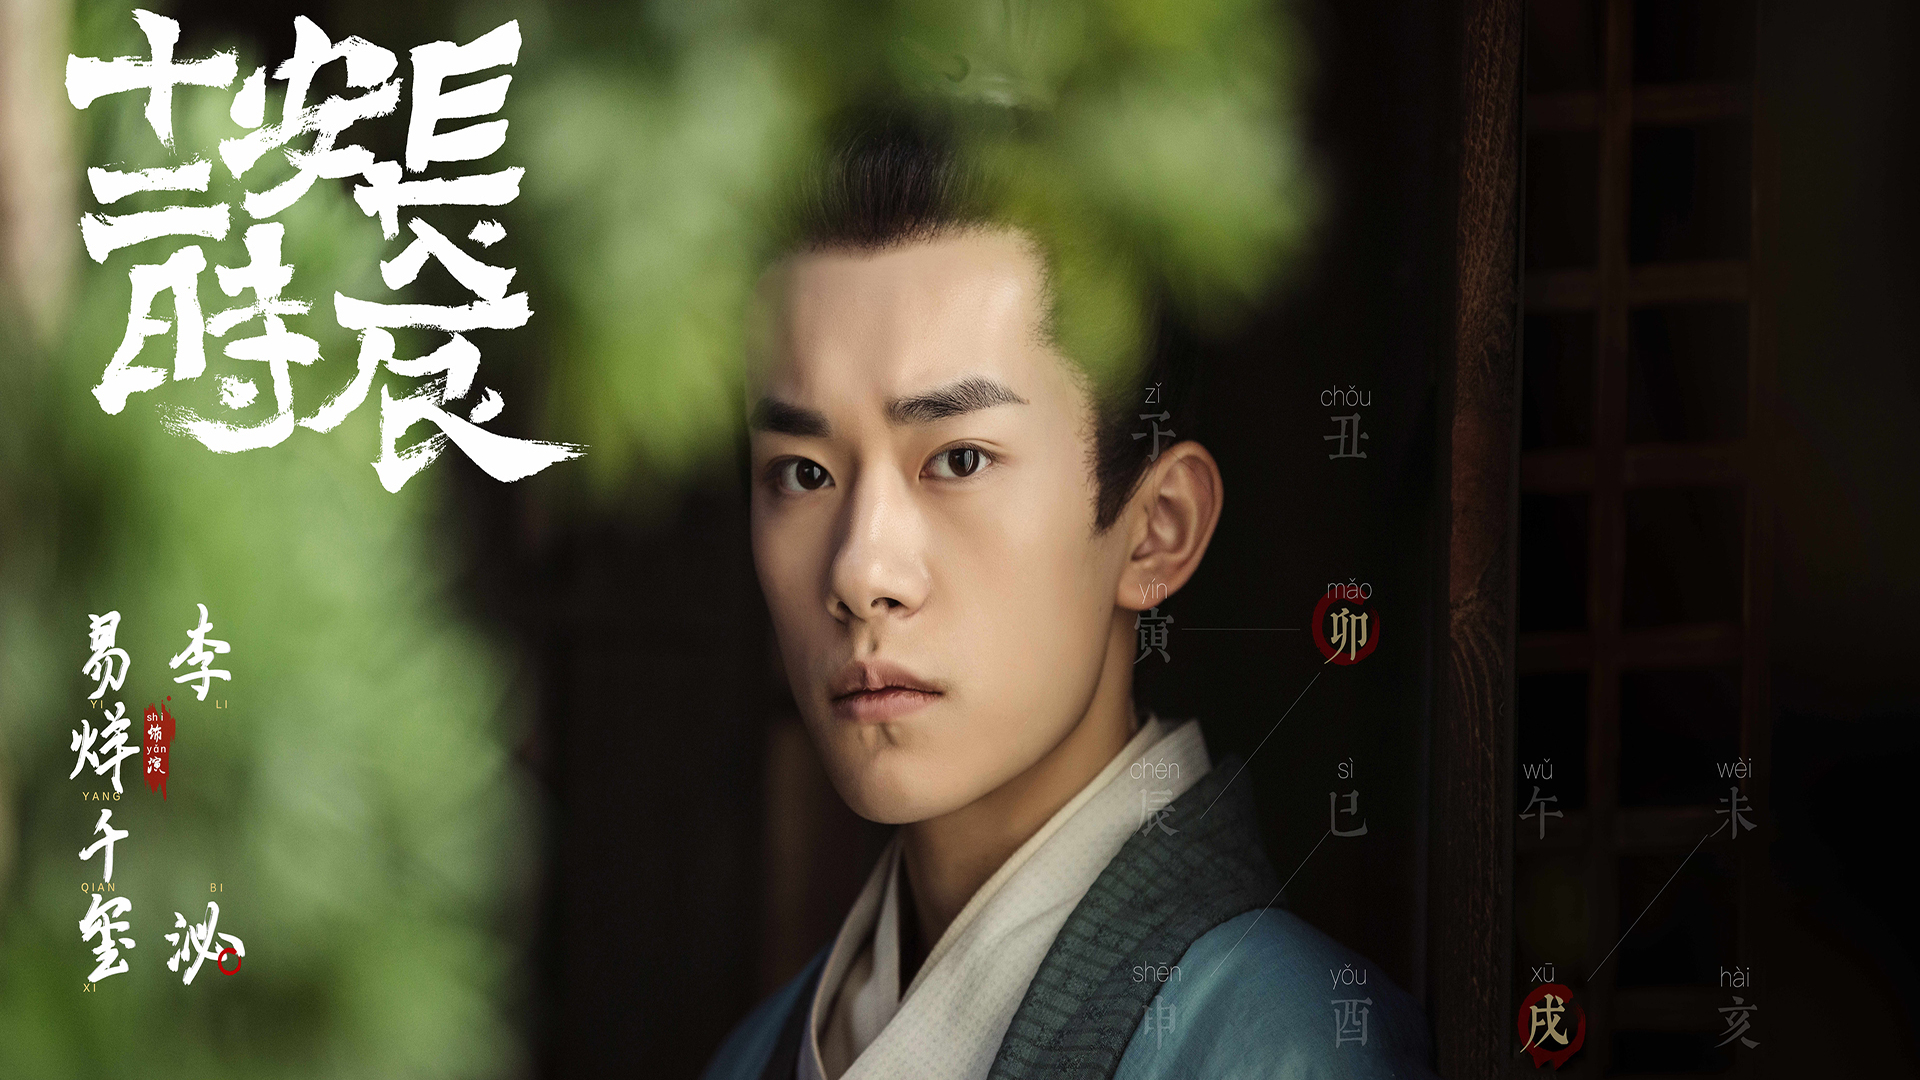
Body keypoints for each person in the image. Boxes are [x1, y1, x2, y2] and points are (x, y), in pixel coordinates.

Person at [703, 116, 1435, 1080]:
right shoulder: (755, 1057)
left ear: (1156, 527)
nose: (860, 572)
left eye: (959, 459)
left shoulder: (1290, 1043)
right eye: (803, 473)